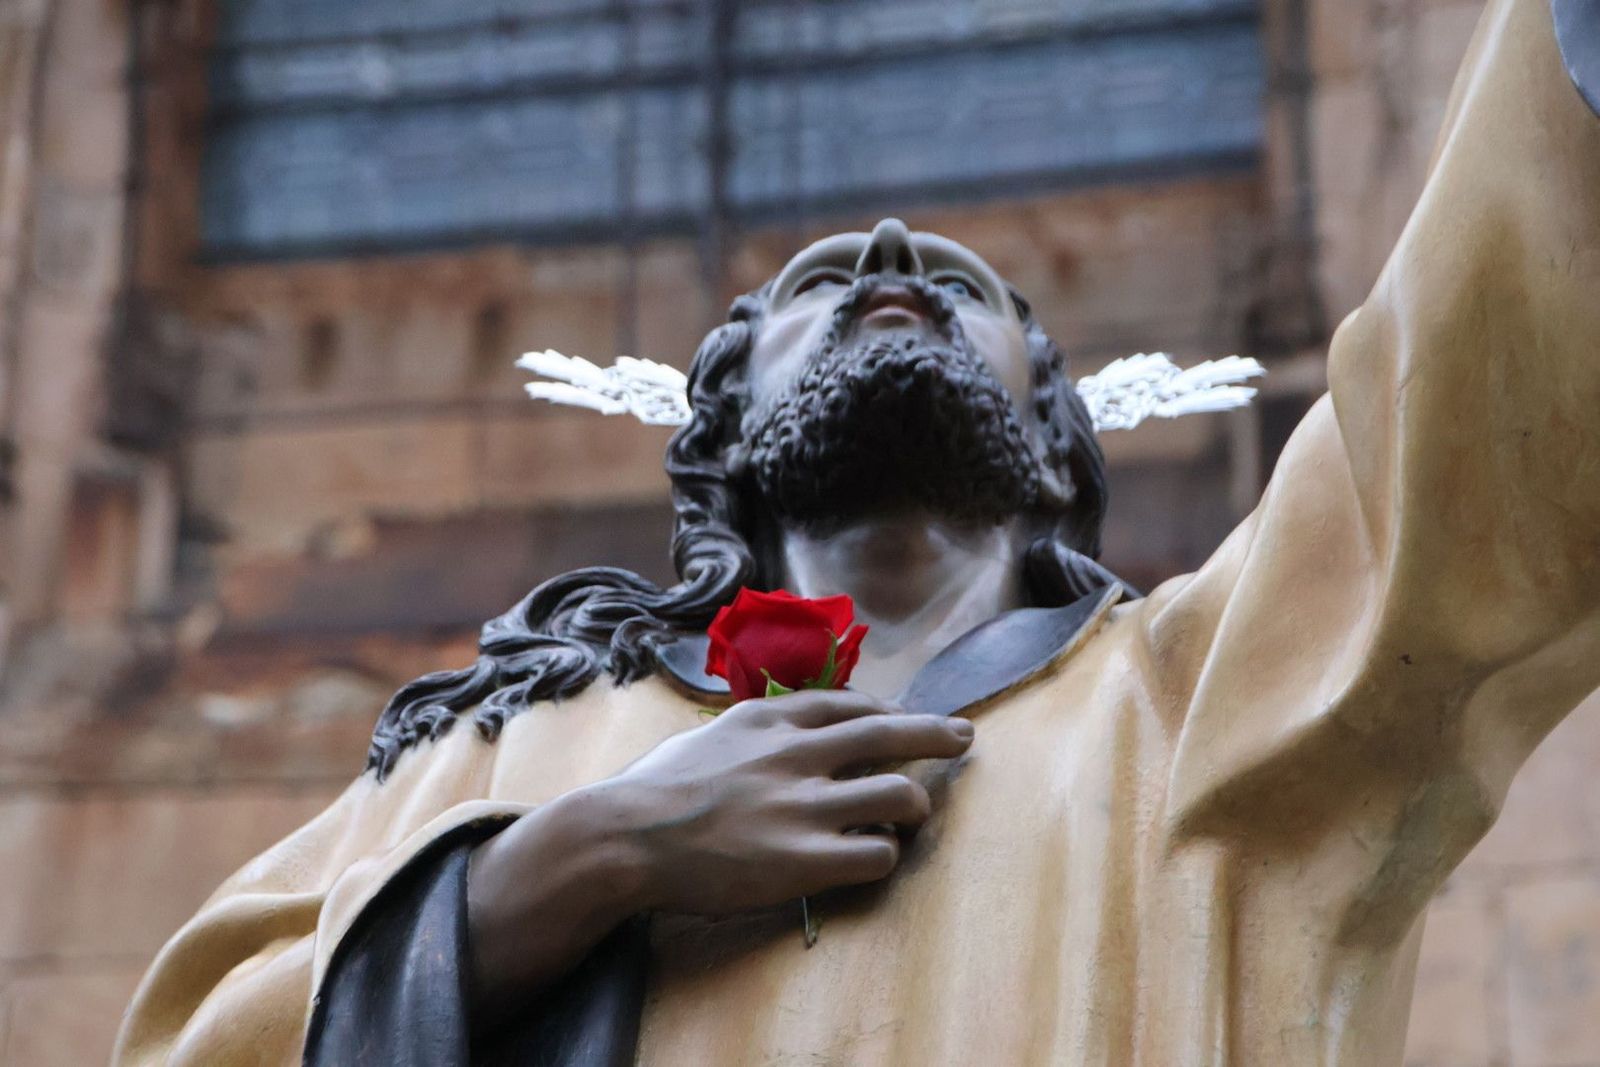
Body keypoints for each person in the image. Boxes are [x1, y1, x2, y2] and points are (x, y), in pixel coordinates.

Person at [117, 0, 1600, 1062]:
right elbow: (197, 1038)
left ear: (1054, 432)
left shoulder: (1220, 696)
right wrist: (586, 857)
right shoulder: (503, 751)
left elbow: (1481, 384)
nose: (891, 255)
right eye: (817, 283)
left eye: (968, 290)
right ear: (722, 429)